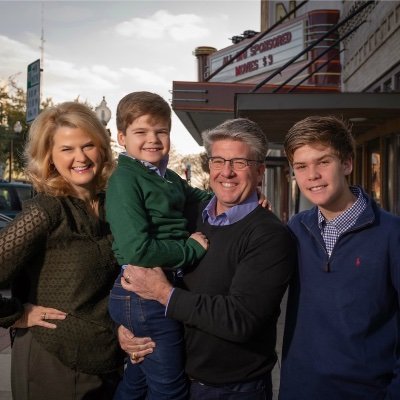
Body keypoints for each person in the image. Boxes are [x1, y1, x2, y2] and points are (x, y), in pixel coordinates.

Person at [119, 118, 297, 400]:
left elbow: (241, 319)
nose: (227, 172)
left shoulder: (270, 236)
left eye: (239, 163)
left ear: (260, 171)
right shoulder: (189, 216)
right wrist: (127, 328)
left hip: (231, 389)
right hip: (173, 377)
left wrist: (165, 294)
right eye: (218, 161)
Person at [0, 102, 124, 400]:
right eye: (67, 149)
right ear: (50, 158)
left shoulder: (114, 204)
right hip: (53, 363)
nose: (80, 157)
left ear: (102, 149)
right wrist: (15, 315)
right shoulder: (46, 210)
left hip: (107, 361)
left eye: (88, 145)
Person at [279, 115, 400, 399]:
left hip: (368, 392)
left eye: (323, 162)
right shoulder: (294, 229)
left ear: (347, 163)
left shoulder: (392, 234)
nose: (312, 175)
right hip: (299, 389)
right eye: (301, 166)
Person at [106, 91, 211, 400]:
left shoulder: (166, 176)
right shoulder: (125, 179)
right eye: (141, 132)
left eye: (160, 131)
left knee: (137, 382)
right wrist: (190, 250)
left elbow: (199, 198)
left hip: (153, 290)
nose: (153, 139)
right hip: (142, 296)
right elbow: (136, 249)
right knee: (170, 389)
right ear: (122, 137)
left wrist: (238, 199)